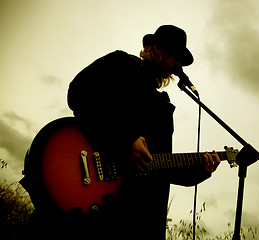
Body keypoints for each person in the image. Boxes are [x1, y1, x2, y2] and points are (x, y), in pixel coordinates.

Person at [66, 25, 220, 239]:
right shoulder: (121, 63)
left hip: (137, 219)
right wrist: (124, 139)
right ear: (158, 49)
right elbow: (78, 93)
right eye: (175, 56)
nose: (178, 64)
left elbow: (159, 166)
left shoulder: (163, 107)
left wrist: (201, 170)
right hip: (94, 206)